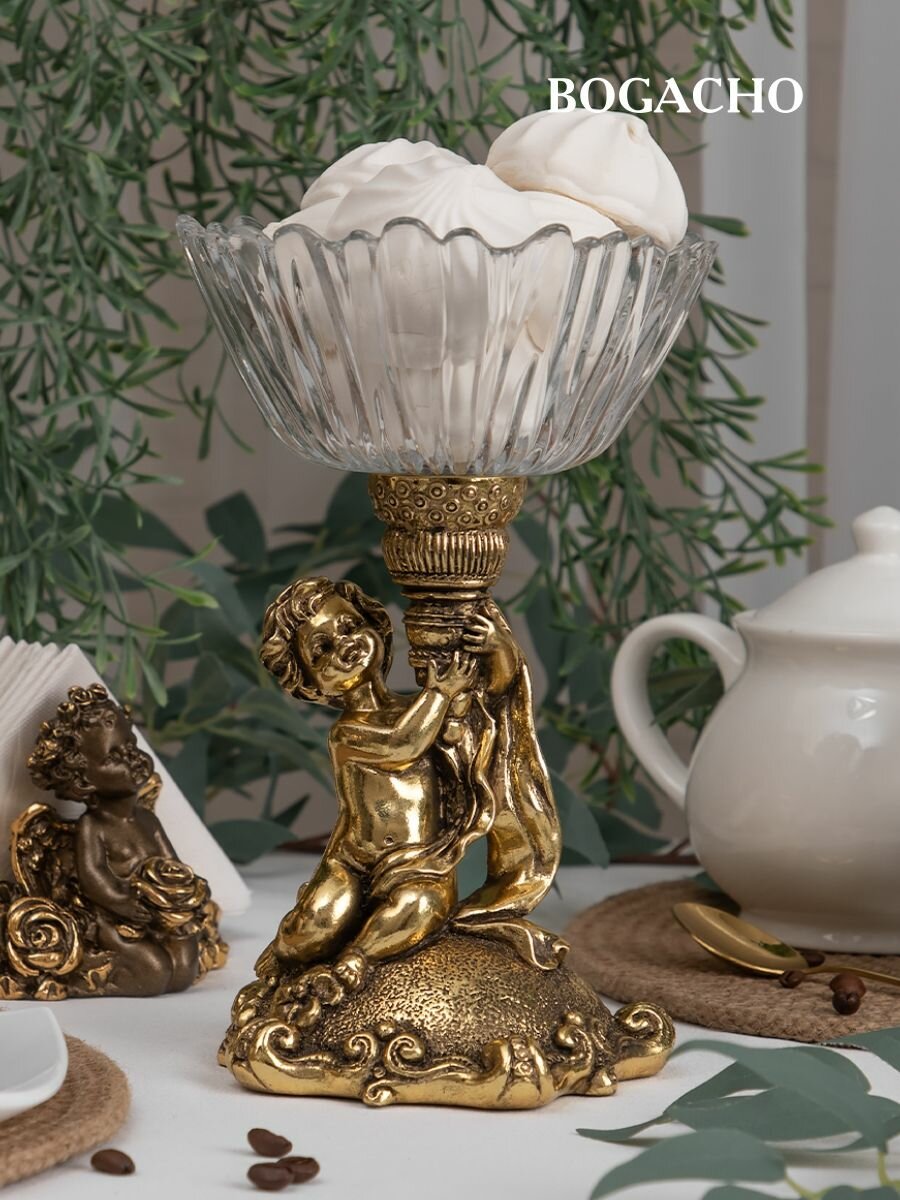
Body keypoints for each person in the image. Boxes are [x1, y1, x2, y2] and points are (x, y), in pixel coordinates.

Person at [27, 684, 210, 995]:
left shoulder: (148, 819)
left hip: (157, 914)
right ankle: (91, 980)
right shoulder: (93, 826)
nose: (131, 757)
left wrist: (187, 893)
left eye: (131, 744)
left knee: (185, 969)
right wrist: (121, 902)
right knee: (155, 973)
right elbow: (93, 875)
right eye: (113, 755)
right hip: (112, 917)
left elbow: (173, 864)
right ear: (83, 780)